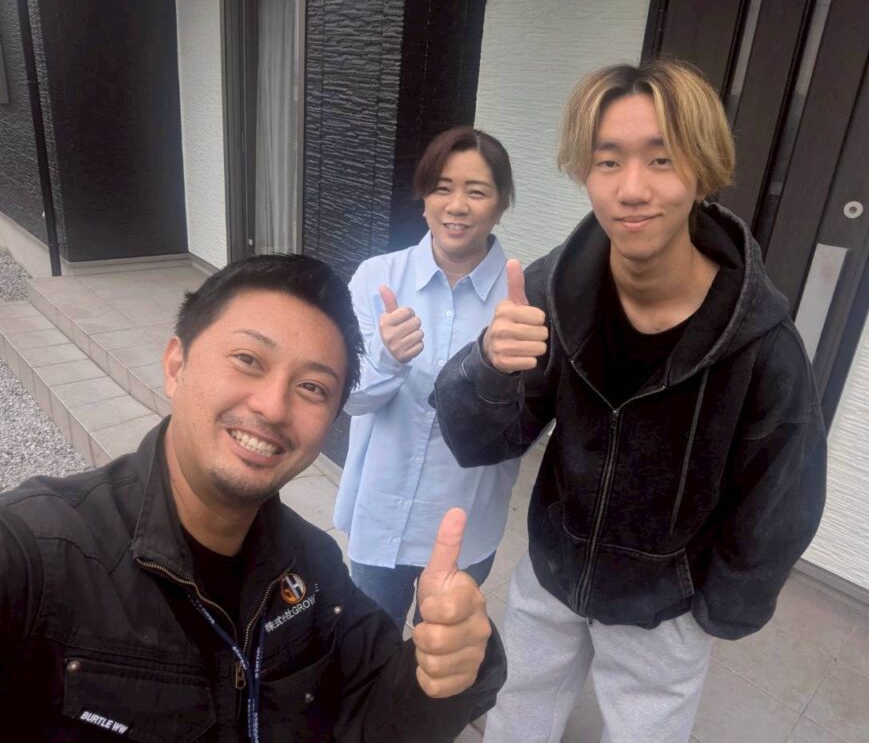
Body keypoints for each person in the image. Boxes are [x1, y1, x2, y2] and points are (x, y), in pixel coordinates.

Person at [433, 59, 827, 742]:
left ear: (702, 169)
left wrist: (714, 606)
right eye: (608, 162)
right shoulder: (556, 289)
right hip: (552, 573)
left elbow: (782, 493)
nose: (633, 189)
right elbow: (481, 440)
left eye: (662, 159)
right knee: (513, 719)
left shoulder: (759, 340)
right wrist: (490, 365)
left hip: (664, 605)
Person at [0, 254, 504, 741]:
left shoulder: (314, 569)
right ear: (176, 365)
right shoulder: (41, 557)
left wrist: (449, 668)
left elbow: (374, 715)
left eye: (312, 387)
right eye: (248, 360)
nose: (273, 407)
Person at [335, 127, 521, 627]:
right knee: (369, 642)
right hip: (382, 508)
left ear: (501, 204)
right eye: (442, 188)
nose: (456, 206)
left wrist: (501, 378)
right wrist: (387, 359)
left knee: (441, 648)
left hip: (467, 517)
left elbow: (529, 424)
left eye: (476, 191)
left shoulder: (522, 300)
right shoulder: (376, 278)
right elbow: (348, 400)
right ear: (423, 200)